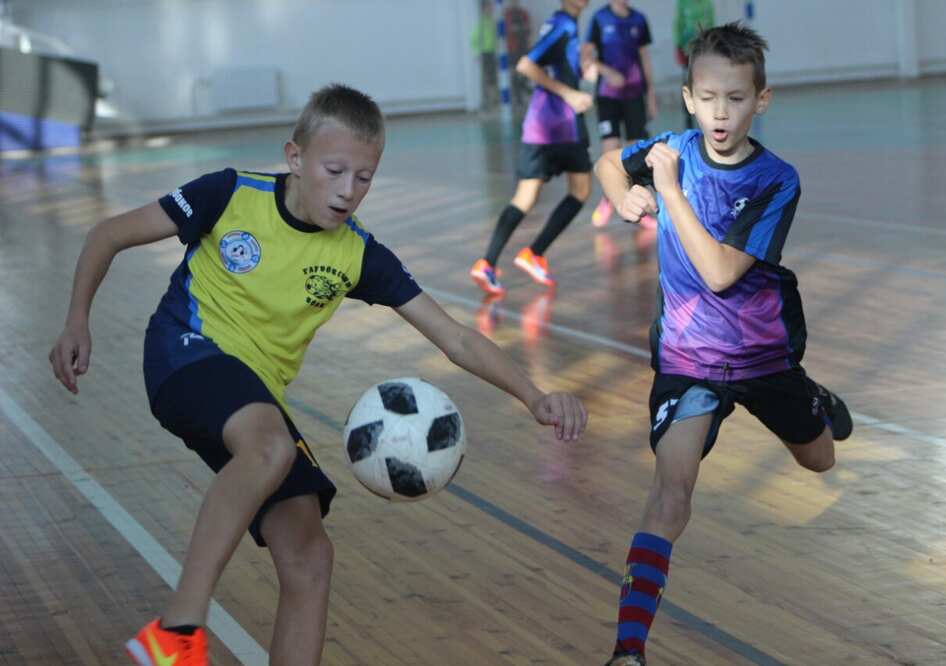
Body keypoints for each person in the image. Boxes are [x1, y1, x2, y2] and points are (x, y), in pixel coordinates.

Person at [48, 83, 588, 666]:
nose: (348, 190)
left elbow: (454, 337)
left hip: (252, 391)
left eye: (364, 177)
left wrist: (533, 395)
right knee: (269, 447)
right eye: (334, 170)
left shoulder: (357, 255)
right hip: (185, 352)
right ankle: (176, 633)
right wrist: (77, 319)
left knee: (309, 554)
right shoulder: (229, 194)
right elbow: (107, 234)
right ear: (296, 158)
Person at [593, 24, 852, 666]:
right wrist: (622, 193)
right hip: (689, 360)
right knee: (670, 493)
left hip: (763, 357)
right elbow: (606, 160)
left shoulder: (774, 180)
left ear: (760, 101)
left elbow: (717, 272)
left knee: (819, 462)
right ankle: (629, 650)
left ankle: (812, 396)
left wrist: (668, 192)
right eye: (708, 97)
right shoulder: (671, 146)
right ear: (687, 97)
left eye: (735, 99)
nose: (720, 112)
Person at [469, 0, 593, 296]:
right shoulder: (563, 23)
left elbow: (555, 66)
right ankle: (533, 253)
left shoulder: (563, 24)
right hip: (561, 125)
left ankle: (488, 263)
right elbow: (526, 64)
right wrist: (571, 94)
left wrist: (583, 68)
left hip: (540, 126)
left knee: (526, 197)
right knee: (580, 191)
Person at [583, 0, 657, 228]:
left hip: (634, 95)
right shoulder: (599, 18)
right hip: (608, 96)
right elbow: (586, 56)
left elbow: (644, 58)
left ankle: (640, 211)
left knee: (635, 155)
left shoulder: (639, 19)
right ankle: (608, 199)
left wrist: (650, 94)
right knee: (611, 152)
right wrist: (607, 72)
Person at [673, 0, 715, 130]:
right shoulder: (683, 3)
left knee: (704, 84)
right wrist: (678, 46)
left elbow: (712, 26)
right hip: (687, 51)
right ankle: (688, 120)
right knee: (688, 83)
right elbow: (678, 25)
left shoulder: (708, 4)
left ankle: (705, 117)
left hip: (704, 51)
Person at [471, 0, 499, 110]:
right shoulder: (481, 22)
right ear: (483, 9)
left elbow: (495, 37)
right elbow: (474, 39)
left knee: (493, 76)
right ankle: (487, 101)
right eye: (488, 7)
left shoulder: (492, 21)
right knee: (487, 77)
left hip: (492, 52)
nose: (490, 9)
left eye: (490, 7)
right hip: (485, 53)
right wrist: (477, 52)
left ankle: (493, 99)